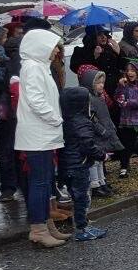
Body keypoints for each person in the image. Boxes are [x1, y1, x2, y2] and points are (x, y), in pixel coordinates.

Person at [15, 28, 68, 248]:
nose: (56, 51)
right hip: (38, 134)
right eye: (54, 46)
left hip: (43, 134)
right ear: (41, 46)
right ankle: (38, 229)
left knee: (45, 182)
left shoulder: (39, 67)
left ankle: (46, 224)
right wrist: (55, 119)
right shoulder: (33, 67)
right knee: (39, 182)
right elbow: (36, 100)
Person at [59, 84, 107, 241]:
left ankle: (82, 224)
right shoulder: (82, 122)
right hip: (79, 164)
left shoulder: (65, 120)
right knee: (83, 197)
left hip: (67, 164)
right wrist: (102, 155)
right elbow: (87, 144)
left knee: (76, 196)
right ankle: (82, 228)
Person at [77, 65, 124, 198]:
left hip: (103, 133)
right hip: (96, 135)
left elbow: (104, 115)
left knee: (101, 159)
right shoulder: (89, 99)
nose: (101, 85)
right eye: (98, 83)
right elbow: (92, 119)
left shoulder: (99, 97)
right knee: (95, 161)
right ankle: (95, 184)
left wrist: (110, 127)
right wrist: (101, 130)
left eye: (102, 82)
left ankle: (102, 181)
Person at [0, 27, 17, 202]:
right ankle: (8, 187)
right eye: (3, 37)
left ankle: (9, 187)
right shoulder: (3, 59)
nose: (5, 40)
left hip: (4, 111)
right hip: (3, 110)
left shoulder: (6, 59)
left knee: (6, 150)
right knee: (6, 149)